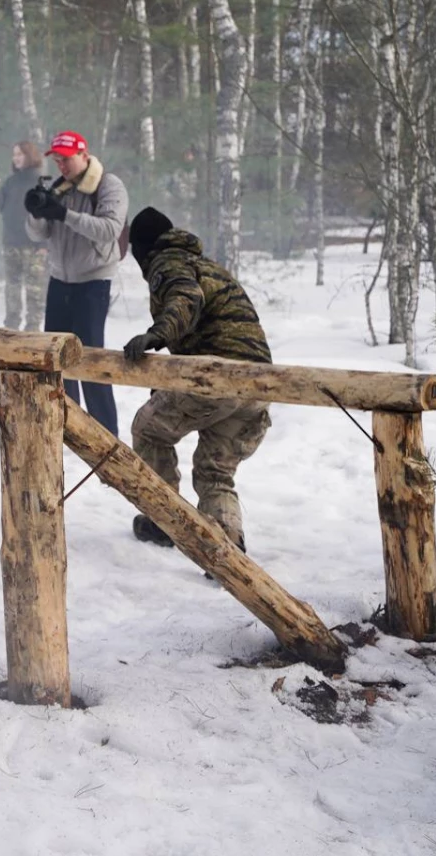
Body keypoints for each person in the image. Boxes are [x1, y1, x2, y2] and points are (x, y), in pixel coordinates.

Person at [122, 207, 272, 550]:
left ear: (143, 248)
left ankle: (163, 521)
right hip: (261, 385)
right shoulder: (205, 265)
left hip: (217, 378)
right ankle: (226, 547)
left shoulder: (168, 262)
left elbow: (186, 298)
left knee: (149, 431)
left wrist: (157, 333)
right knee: (214, 472)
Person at [23, 130, 127, 433]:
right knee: (56, 355)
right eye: (57, 160)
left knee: (91, 357)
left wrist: (64, 214)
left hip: (93, 281)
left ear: (84, 154)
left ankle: (105, 432)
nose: (61, 166)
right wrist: (36, 214)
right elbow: (37, 236)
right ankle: (67, 426)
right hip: (60, 279)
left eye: (66, 160)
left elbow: (109, 229)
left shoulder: (109, 185)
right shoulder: (59, 186)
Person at [0, 140, 48, 330]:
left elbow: (49, 215)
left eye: (20, 154)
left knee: (34, 290)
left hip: (35, 245)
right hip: (11, 242)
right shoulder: (11, 181)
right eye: (14, 155)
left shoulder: (41, 181)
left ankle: (33, 329)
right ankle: (11, 327)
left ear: (30, 156)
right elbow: (3, 207)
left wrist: (45, 244)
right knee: (12, 288)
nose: (16, 158)